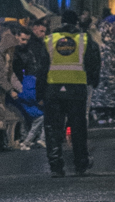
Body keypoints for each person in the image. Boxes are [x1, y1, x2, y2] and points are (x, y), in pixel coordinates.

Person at [42, 15, 98, 174]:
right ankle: (81, 163)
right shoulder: (84, 40)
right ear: (77, 23)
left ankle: (55, 165)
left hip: (53, 89)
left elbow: (42, 67)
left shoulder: (50, 40)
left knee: (53, 129)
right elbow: (93, 62)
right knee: (78, 128)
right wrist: (93, 81)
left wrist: (40, 92)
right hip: (77, 88)